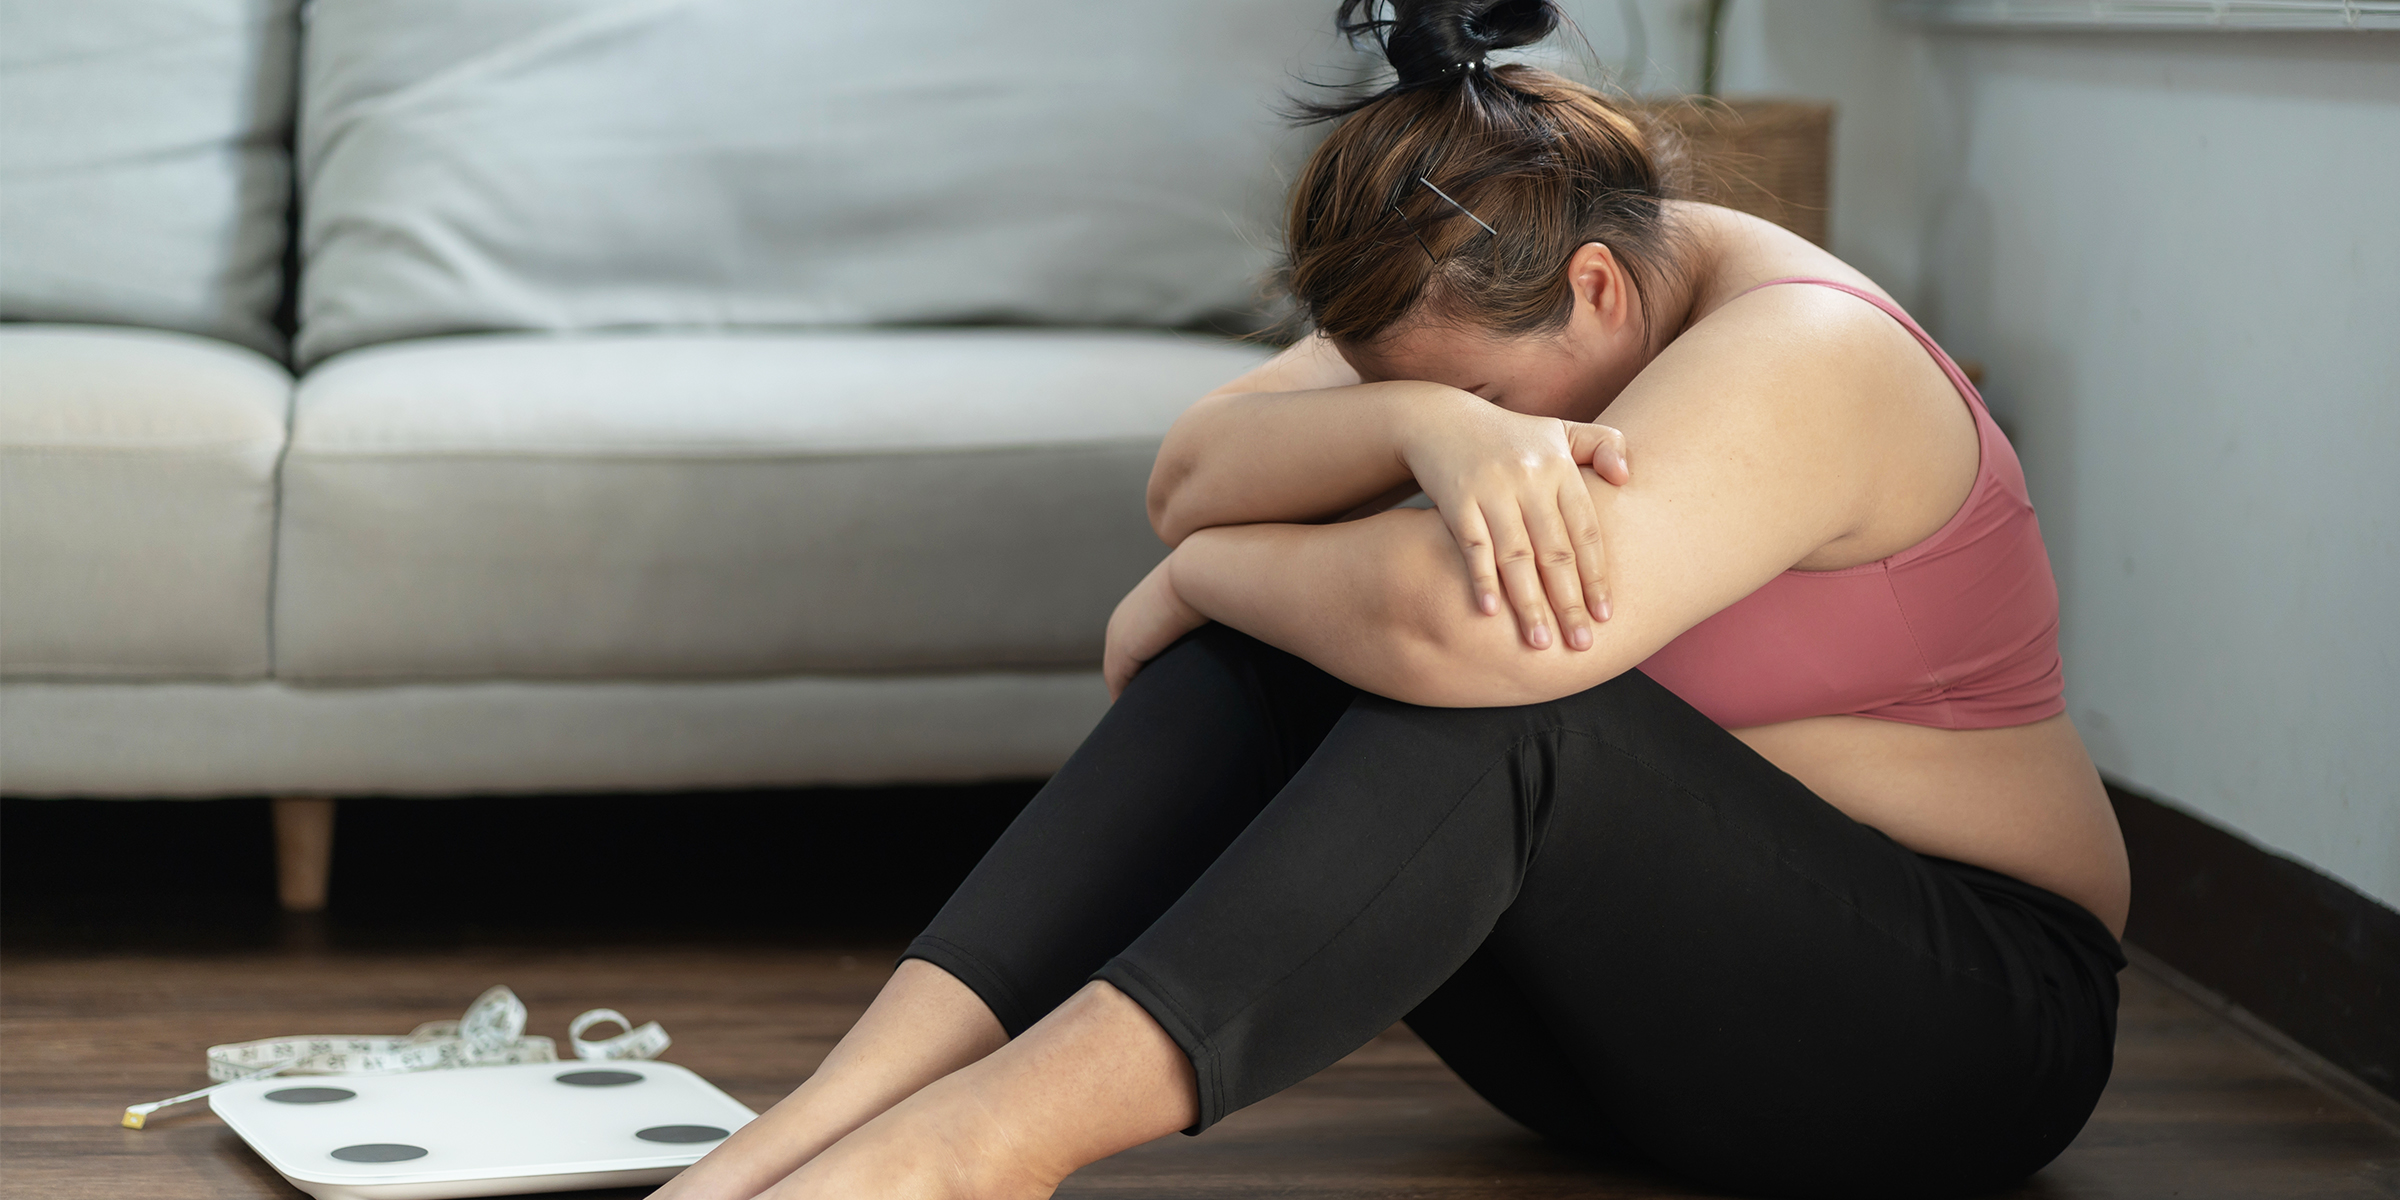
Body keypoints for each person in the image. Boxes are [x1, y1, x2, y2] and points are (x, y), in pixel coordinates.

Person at [655, 2, 2129, 1196]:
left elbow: (1467, 634)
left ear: (1604, 293)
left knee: (1489, 700)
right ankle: (812, 1132)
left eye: (1472, 392)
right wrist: (1429, 426)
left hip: (1957, 1041)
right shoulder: (1485, 277)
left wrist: (1209, 576)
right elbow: (1197, 470)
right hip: (1627, 1045)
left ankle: (974, 1157)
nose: (1436, 418)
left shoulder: (1814, 354)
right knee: (1297, 641)